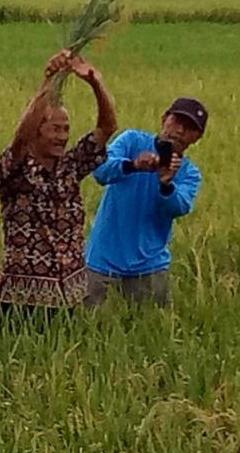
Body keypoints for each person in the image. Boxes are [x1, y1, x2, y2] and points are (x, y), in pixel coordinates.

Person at [0, 50, 117, 322]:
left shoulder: (71, 166)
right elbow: (21, 136)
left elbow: (107, 128)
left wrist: (95, 82)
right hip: (23, 301)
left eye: (66, 129)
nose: (63, 136)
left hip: (71, 294)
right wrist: (48, 81)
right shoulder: (15, 170)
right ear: (38, 130)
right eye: (54, 129)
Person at [84, 96, 207, 307]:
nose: (179, 131)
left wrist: (166, 183)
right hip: (101, 263)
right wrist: (133, 165)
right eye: (177, 122)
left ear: (197, 137)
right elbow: (101, 171)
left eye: (189, 128)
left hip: (150, 268)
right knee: (90, 329)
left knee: (149, 331)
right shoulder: (132, 141)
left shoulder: (189, 173)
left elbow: (180, 206)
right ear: (164, 119)